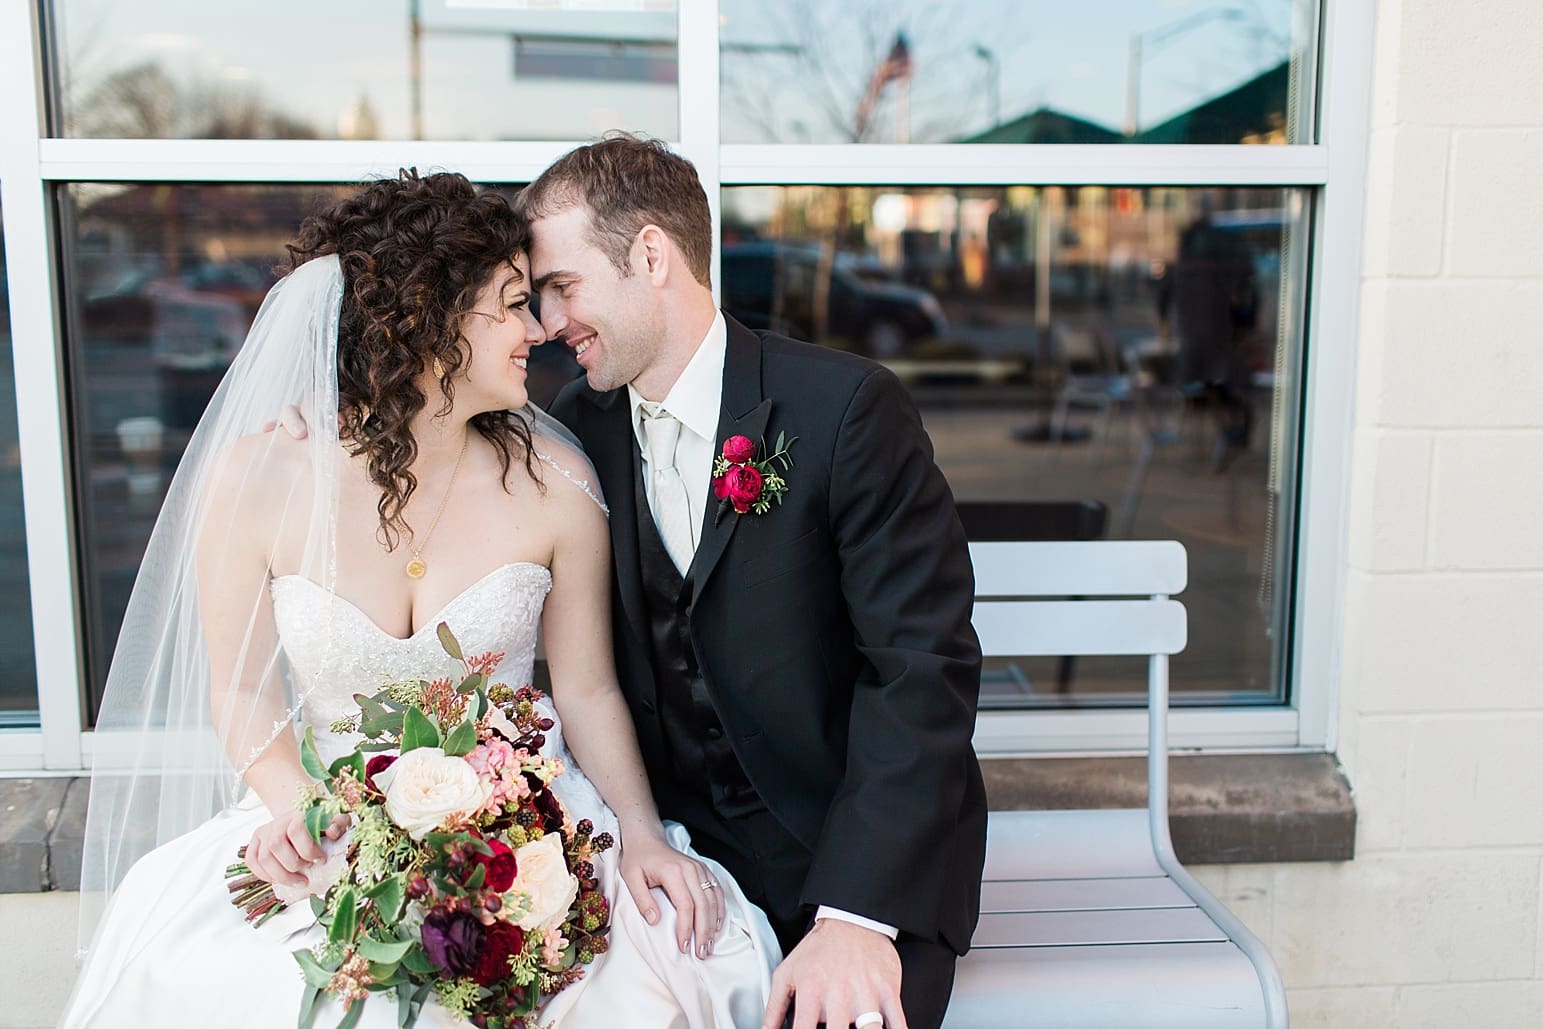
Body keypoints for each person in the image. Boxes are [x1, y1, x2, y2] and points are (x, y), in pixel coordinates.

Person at [63, 170, 779, 1027]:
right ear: (430, 321)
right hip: (320, 818)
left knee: (667, 974)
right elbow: (243, 690)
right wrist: (310, 817)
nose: (538, 330)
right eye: (512, 304)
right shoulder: (261, 478)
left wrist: (643, 835)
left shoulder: (557, 484)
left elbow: (587, 690)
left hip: (530, 827)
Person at [526, 134, 987, 1029]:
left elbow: (922, 670)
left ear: (651, 254)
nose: (548, 323)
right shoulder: (573, 426)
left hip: (847, 851)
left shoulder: (845, 409)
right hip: (670, 863)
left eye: (562, 288)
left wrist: (856, 915)